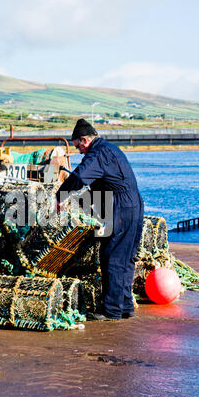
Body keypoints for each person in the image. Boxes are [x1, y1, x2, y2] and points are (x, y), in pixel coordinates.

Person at [56, 118, 144, 321]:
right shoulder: (110, 149)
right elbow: (99, 184)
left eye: (78, 146)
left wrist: (61, 195)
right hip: (134, 205)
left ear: (84, 140)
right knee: (126, 258)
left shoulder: (98, 153)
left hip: (120, 208)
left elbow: (80, 176)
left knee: (112, 256)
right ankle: (125, 306)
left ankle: (111, 310)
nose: (78, 151)